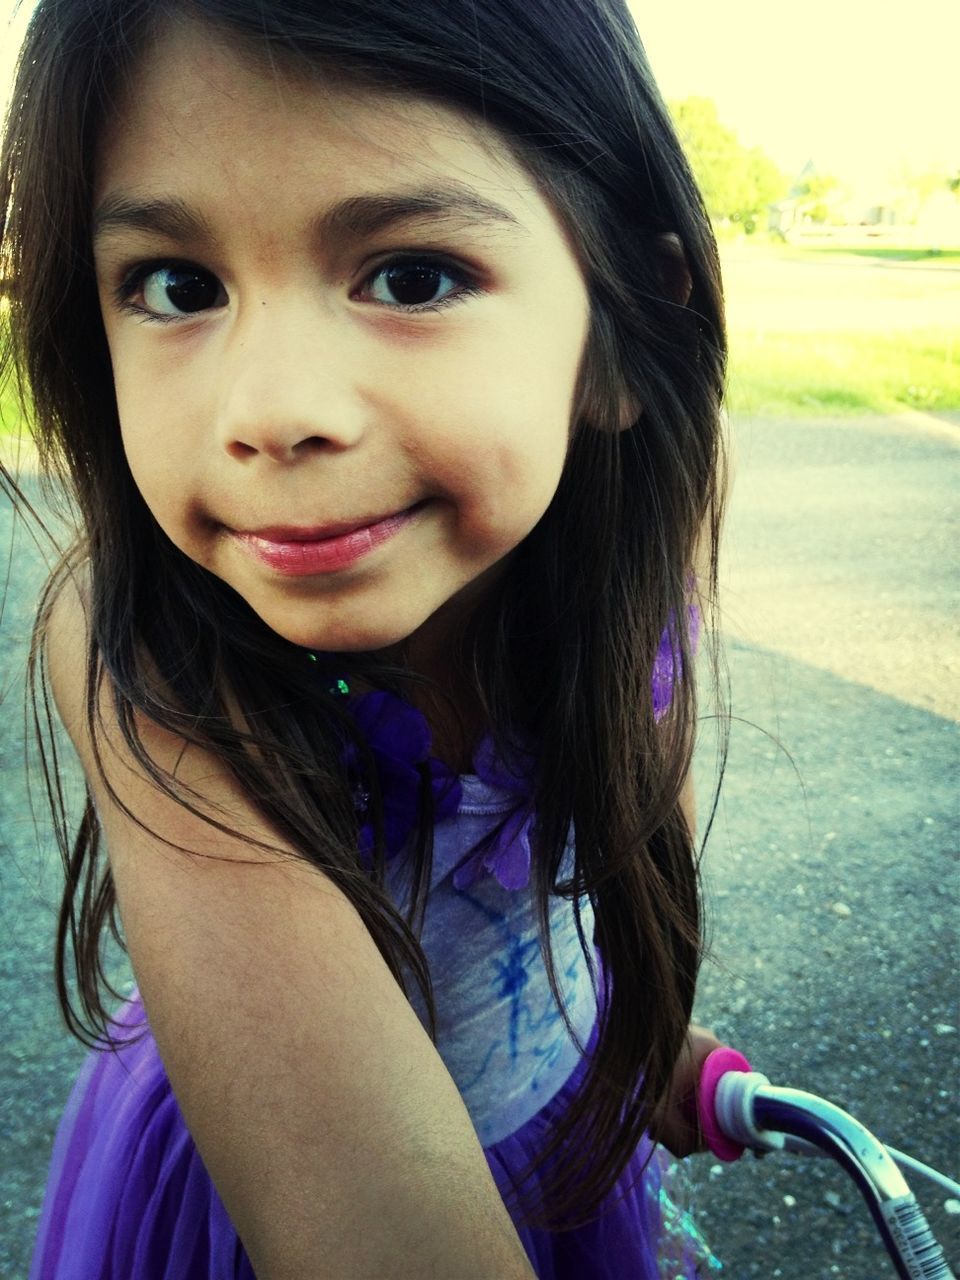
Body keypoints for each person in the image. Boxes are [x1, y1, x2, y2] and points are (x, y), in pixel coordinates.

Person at [0, 0, 729, 1275]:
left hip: (559, 1147)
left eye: (412, 274)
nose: (273, 412)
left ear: (620, 334)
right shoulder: (139, 652)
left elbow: (601, 828)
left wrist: (647, 1035)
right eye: (177, 286)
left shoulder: (644, 549)